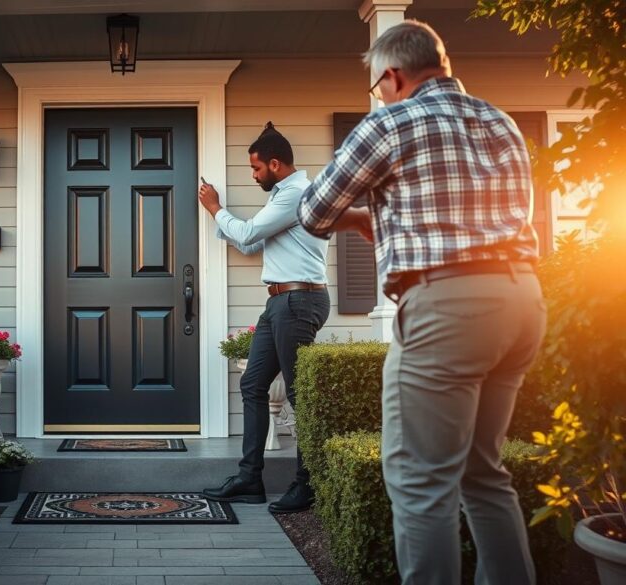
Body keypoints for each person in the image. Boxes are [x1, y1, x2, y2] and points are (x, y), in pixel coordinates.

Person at [296, 20, 545, 585]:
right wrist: (384, 220)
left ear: (392, 75)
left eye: (376, 84)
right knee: (484, 472)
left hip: (447, 306)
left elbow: (315, 211)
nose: (376, 94)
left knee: (419, 477)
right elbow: (468, 214)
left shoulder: (389, 121)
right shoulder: (498, 121)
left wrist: (364, 216)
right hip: (521, 298)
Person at [198, 123, 330, 513]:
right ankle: (249, 479)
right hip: (280, 302)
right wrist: (226, 222)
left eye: (256, 169)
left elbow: (251, 231)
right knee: (253, 383)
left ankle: (306, 485)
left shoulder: (297, 194)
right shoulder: (282, 197)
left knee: (297, 394)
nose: (253, 175)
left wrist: (215, 208)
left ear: (275, 163)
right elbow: (252, 240)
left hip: (298, 300)